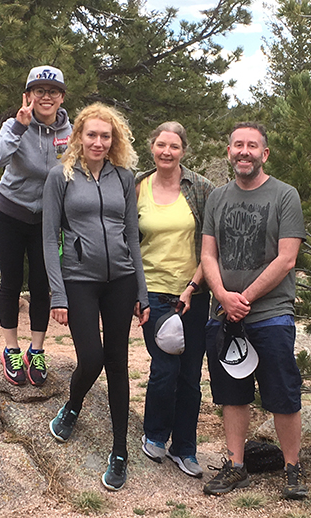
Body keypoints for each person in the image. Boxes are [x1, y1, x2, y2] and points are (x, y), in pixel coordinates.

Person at [42, 103, 150, 491]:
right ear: (79, 137)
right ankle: (73, 406)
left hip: (120, 280)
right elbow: (49, 236)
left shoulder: (124, 178)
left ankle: (119, 451)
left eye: (106, 136)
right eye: (92, 135)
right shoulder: (60, 177)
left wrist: (141, 290)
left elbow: (131, 235)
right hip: (78, 280)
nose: (99, 142)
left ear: (114, 139)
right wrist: (58, 294)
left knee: (117, 362)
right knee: (91, 358)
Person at [200, 122, 308, 499]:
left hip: (271, 313)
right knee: (232, 394)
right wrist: (224, 297)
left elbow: (287, 259)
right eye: (237, 145)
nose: (243, 152)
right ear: (229, 152)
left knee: (282, 392)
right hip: (225, 314)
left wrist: (242, 297)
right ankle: (236, 465)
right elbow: (208, 254)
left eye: (252, 146)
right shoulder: (217, 198)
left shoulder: (285, 195)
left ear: (264, 154)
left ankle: (293, 469)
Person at [134, 122, 214, 478]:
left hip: (193, 292)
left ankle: (185, 448)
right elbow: (127, 242)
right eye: (161, 145)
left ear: (184, 150)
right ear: (152, 147)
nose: (167, 152)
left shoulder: (201, 189)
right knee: (165, 369)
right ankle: (154, 435)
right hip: (152, 290)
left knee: (190, 375)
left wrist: (194, 287)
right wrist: (135, 292)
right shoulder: (136, 186)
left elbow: (213, 245)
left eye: (174, 146)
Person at [0, 65, 72, 387]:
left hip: (46, 219)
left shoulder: (71, 132)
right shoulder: (15, 126)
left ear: (61, 97)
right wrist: (18, 128)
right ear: (28, 96)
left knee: (41, 286)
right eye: (39, 91)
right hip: (11, 211)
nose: (46, 97)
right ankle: (11, 348)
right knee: (10, 282)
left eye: (52, 92)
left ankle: (36, 350)